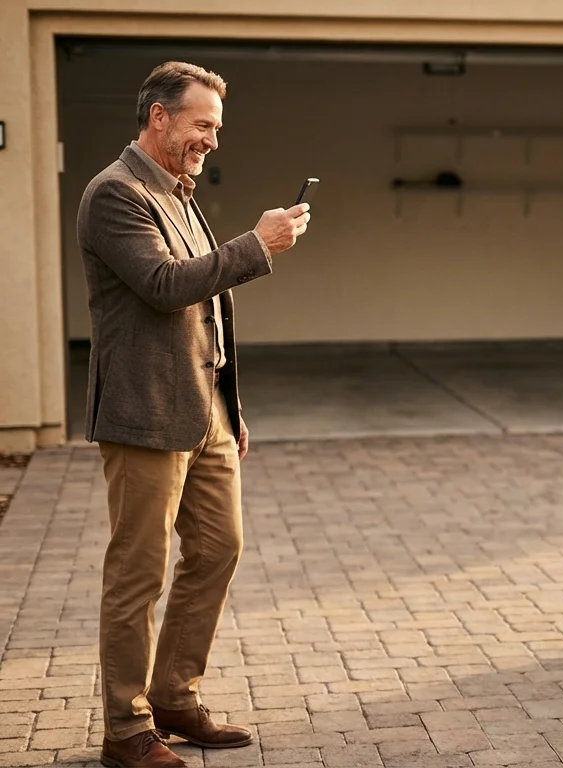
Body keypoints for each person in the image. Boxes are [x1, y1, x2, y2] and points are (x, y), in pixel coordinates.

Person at [75, 61, 311, 768]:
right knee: (138, 574)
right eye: (202, 124)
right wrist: (256, 245)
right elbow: (163, 284)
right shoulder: (115, 194)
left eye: (216, 127)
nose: (211, 139)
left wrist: (231, 407)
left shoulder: (180, 194)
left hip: (205, 411)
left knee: (218, 549)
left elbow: (211, 311)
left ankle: (175, 696)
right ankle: (127, 730)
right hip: (144, 414)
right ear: (159, 117)